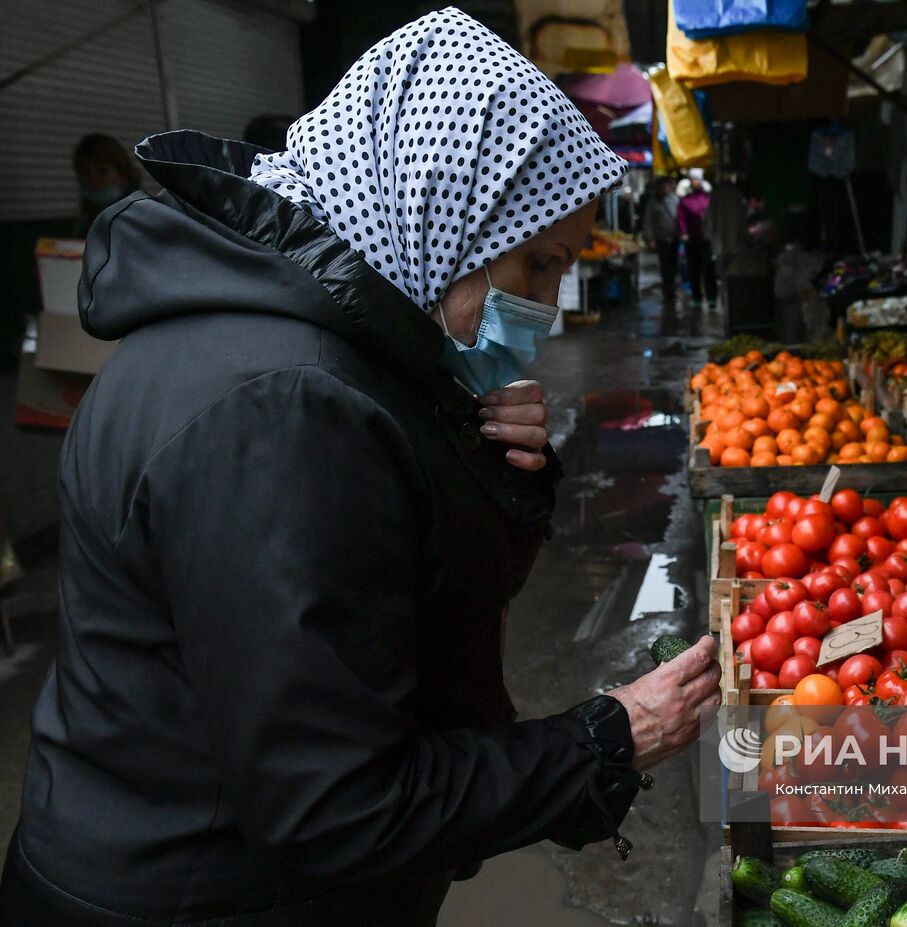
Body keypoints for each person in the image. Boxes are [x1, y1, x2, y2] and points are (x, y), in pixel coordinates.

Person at [0, 10, 718, 926]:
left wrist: (484, 464)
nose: (545, 307)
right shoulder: (285, 408)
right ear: (441, 207)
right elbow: (337, 806)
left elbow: (394, 602)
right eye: (537, 266)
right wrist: (608, 737)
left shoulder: (310, 349)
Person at [71, 133, 140, 237]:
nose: (94, 180)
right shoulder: (87, 218)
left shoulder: (141, 216)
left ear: (124, 174)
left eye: (103, 172)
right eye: (86, 174)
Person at [677, 168, 717, 308]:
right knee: (694, 270)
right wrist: (684, 233)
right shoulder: (685, 200)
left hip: (706, 239)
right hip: (692, 241)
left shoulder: (708, 198)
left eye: (697, 179)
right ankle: (697, 298)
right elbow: (681, 218)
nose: (695, 182)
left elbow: (713, 217)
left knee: (709, 269)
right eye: (693, 180)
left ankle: (712, 298)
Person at [641, 175, 680, 305]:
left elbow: (680, 217)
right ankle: (668, 291)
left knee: (674, 265)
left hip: (675, 238)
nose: (664, 189)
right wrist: (650, 240)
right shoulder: (652, 203)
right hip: (662, 239)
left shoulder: (675, 199)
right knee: (665, 266)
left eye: (666, 186)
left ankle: (672, 289)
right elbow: (648, 223)